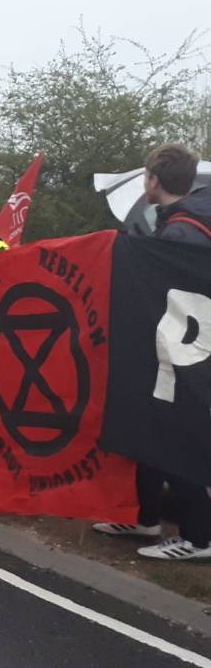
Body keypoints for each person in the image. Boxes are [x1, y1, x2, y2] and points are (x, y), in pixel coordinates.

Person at [92, 144, 211, 560]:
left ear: (153, 180)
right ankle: (145, 517)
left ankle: (198, 538)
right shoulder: (189, 223)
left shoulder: (181, 233)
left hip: (182, 354)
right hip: (176, 346)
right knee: (149, 432)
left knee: (177, 440)